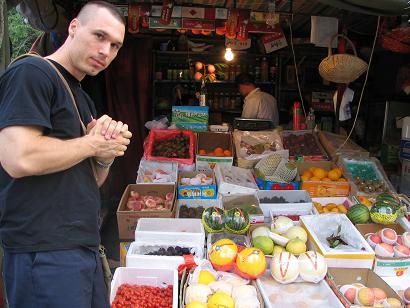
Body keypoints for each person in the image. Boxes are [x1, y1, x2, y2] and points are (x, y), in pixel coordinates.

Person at [0, 2, 131, 307]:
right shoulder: (31, 72)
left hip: (78, 246)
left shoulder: (81, 97)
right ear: (73, 27)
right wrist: (92, 144)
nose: (105, 51)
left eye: (115, 46)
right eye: (99, 36)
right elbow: (19, 158)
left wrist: (106, 154)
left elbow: (90, 179)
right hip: (43, 252)